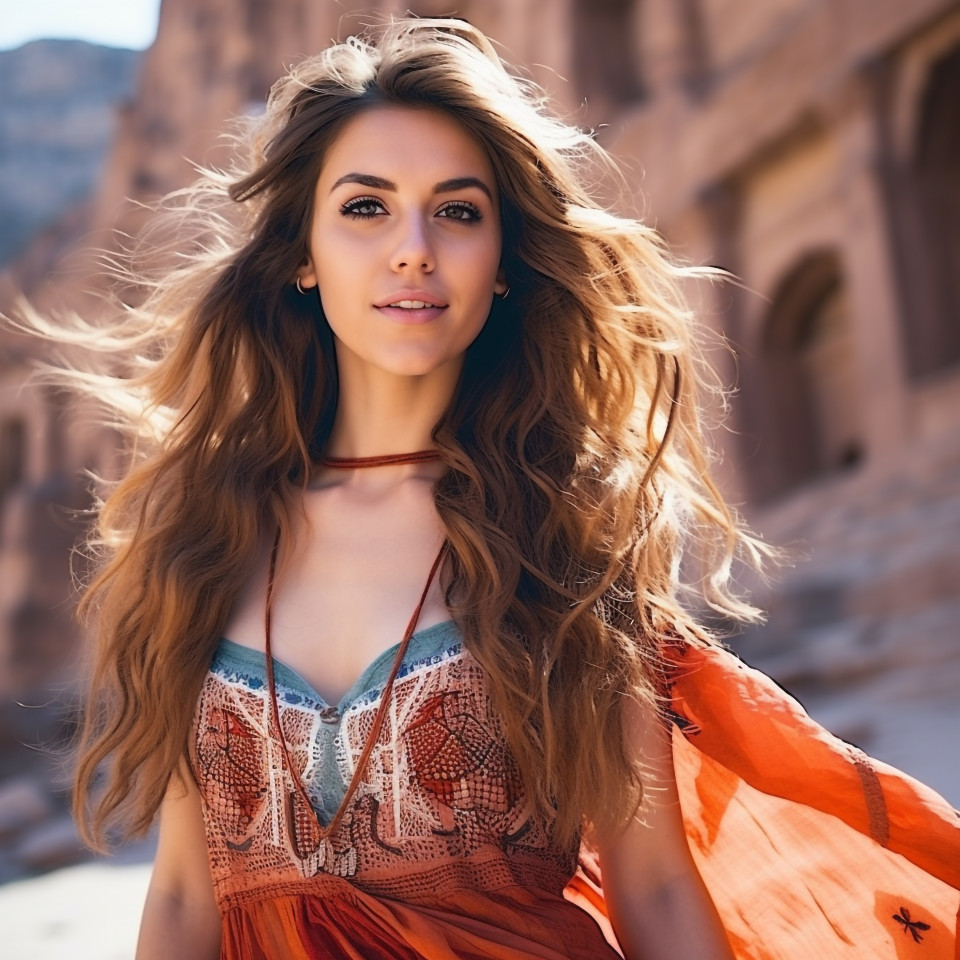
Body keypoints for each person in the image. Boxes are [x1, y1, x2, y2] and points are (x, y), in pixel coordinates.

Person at [46, 16, 957, 960]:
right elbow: (187, 899)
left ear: (504, 266)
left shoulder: (562, 536)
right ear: (303, 258)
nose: (413, 249)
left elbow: (653, 885)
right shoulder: (206, 537)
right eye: (365, 208)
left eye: (458, 210)